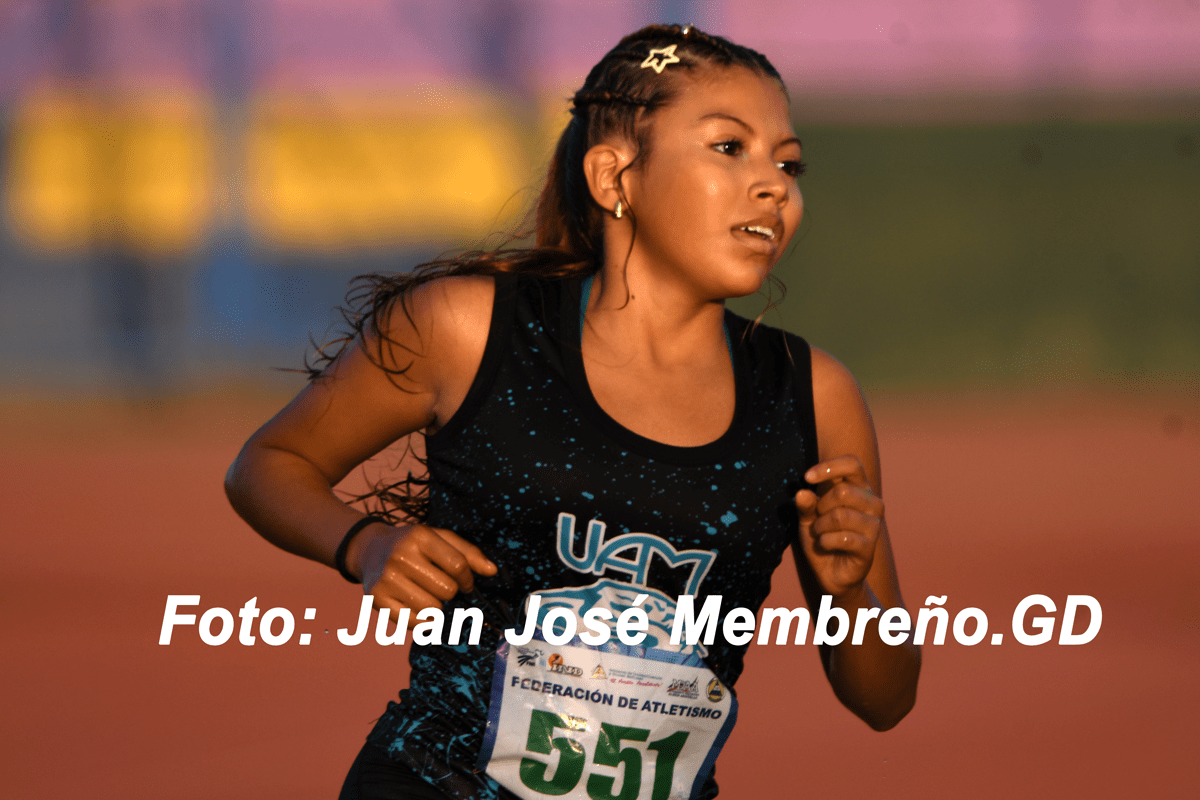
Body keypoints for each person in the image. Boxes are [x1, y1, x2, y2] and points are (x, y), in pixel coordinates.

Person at [225, 23, 920, 800]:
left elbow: (885, 700)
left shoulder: (814, 395)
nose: (773, 185)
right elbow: (267, 466)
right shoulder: (467, 329)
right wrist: (366, 545)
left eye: (788, 163)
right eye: (730, 148)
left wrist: (853, 594)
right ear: (613, 174)